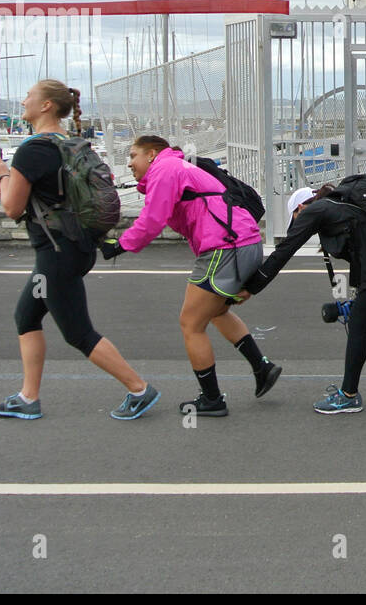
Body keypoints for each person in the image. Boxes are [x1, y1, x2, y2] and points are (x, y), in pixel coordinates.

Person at [0, 80, 160, 421]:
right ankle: (28, 397)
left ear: (46, 105)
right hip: (73, 248)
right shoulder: (72, 143)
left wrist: (4, 175)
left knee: (78, 333)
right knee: (26, 316)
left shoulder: (32, 150)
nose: (24, 100)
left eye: (29, 96)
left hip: (57, 255)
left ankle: (139, 389)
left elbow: (11, 207)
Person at [99, 136, 279, 417]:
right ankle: (262, 367)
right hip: (242, 242)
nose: (129, 163)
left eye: (133, 156)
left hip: (225, 248)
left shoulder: (165, 169)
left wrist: (120, 245)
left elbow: (152, 219)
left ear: (151, 154)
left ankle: (212, 399)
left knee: (190, 324)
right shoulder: (177, 168)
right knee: (216, 312)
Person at [237, 185, 366, 414]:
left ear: (300, 207)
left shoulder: (316, 211)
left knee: (359, 320)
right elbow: (365, 251)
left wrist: (252, 287)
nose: (298, 224)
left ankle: (349, 395)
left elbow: (284, 251)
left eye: (295, 219)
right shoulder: (343, 205)